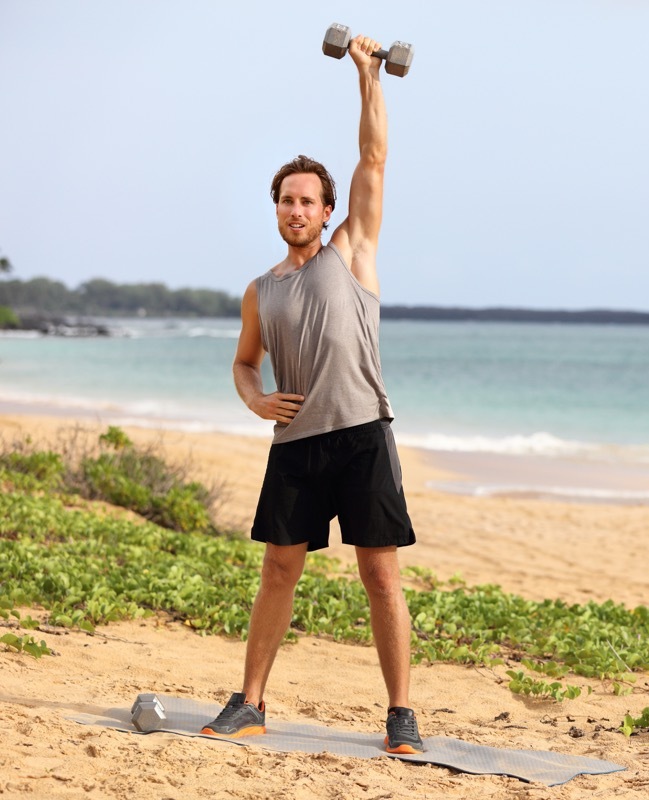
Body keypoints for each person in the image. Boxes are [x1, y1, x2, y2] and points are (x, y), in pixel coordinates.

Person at [201, 33, 422, 755]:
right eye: (286, 200)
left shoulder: (351, 252)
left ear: (328, 210)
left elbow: (375, 158)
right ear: (276, 209)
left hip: (362, 432)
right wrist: (258, 400)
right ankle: (251, 702)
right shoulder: (261, 291)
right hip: (295, 443)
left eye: (308, 200)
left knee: (381, 578)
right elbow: (242, 364)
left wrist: (368, 78)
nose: (297, 209)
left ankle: (399, 717)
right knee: (278, 571)